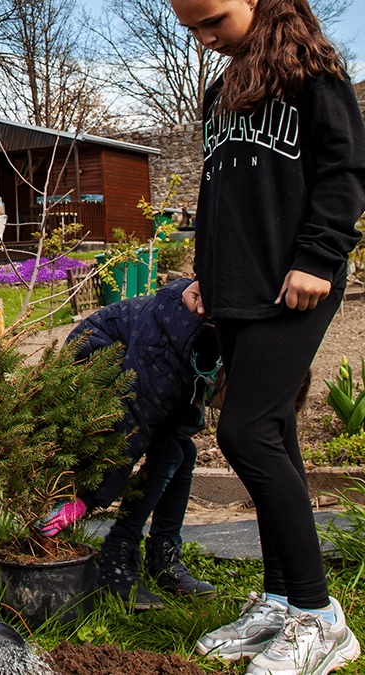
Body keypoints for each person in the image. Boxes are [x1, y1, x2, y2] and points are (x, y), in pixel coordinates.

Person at [171, 0, 365, 672]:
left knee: (244, 431)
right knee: (273, 429)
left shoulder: (313, 73)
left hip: (297, 280)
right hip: (240, 287)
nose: (203, 37)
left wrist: (320, 255)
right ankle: (281, 599)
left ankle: (320, 615)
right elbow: (217, 194)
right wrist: (205, 275)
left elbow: (345, 173)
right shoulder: (220, 94)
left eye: (212, 19)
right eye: (189, 27)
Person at [37, 278, 221, 610]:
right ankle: (115, 560)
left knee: (181, 449)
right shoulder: (165, 353)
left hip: (140, 372)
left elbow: (185, 397)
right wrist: (86, 499)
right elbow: (128, 429)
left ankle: (164, 557)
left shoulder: (203, 345)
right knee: (169, 452)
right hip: (98, 363)